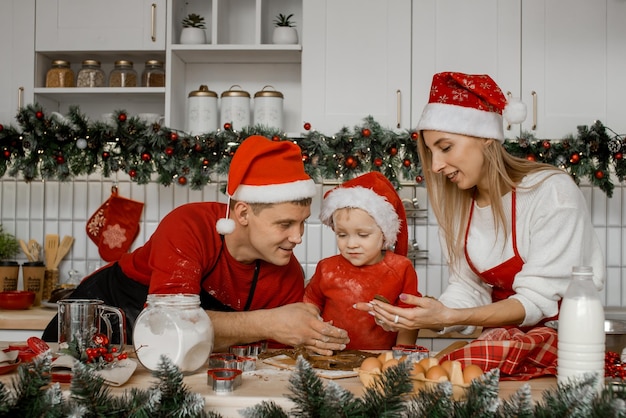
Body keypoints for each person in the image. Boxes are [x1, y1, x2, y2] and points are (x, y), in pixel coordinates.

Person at [354, 72, 606, 379]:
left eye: (445, 148)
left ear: (486, 137)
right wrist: (427, 313)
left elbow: (536, 301)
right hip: (498, 343)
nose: (435, 166)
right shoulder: (460, 206)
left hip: (558, 343)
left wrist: (449, 316)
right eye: (431, 153)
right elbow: (467, 289)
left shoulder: (550, 192)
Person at [42, 135, 350, 355]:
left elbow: (275, 358)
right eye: (284, 224)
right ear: (242, 213)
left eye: (302, 223)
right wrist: (269, 322)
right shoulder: (188, 225)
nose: (297, 237)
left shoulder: (287, 272)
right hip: (103, 322)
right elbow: (167, 325)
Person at [304, 172, 420, 350]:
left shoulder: (401, 268)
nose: (351, 244)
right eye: (342, 235)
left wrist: (402, 356)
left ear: (384, 236)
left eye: (363, 235)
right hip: (332, 356)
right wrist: (315, 335)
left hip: (380, 359)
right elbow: (310, 304)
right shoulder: (326, 268)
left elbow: (409, 319)